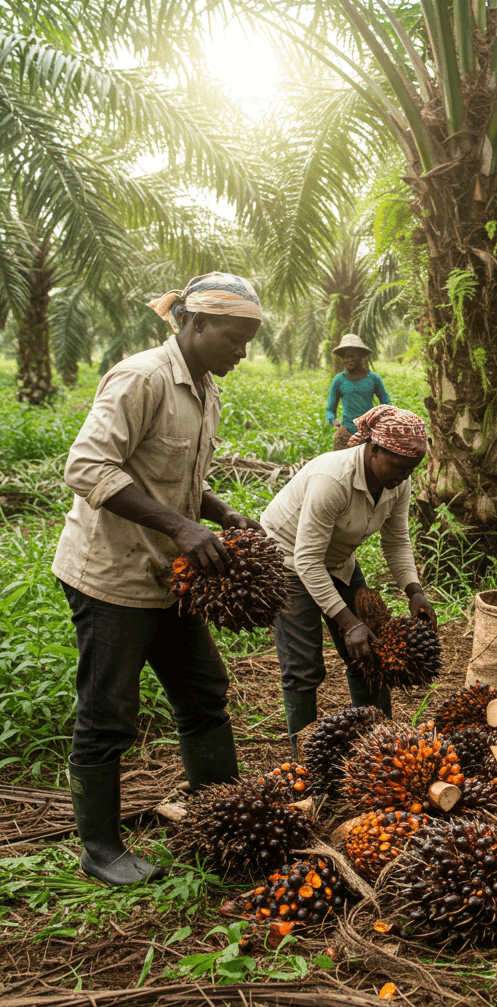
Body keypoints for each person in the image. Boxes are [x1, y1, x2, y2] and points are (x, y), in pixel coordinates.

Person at [51, 272, 264, 886]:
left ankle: (219, 813)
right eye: (234, 337)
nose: (243, 352)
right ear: (195, 324)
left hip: (168, 576)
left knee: (204, 693)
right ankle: (99, 848)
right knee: (108, 711)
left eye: (248, 339)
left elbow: (175, 479)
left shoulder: (206, 390)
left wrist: (216, 513)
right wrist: (183, 529)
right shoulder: (142, 377)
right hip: (112, 575)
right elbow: (86, 465)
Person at [261, 405, 437, 752]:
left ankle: (381, 745)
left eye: (410, 470)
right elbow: (306, 560)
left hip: (337, 559)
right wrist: (347, 622)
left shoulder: (396, 480)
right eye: (398, 466)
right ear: (373, 449)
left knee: (371, 651)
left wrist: (414, 592)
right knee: (303, 668)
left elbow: (396, 540)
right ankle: (305, 759)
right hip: (288, 561)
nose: (403, 476)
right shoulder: (333, 480)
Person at [326, 334, 391, 449]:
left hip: (369, 432)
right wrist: (333, 420)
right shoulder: (338, 380)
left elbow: (386, 403)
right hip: (346, 432)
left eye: (352, 357)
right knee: (342, 464)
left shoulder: (373, 379)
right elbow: (330, 409)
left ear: (360, 357)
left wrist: (381, 420)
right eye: (346, 357)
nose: (348, 360)